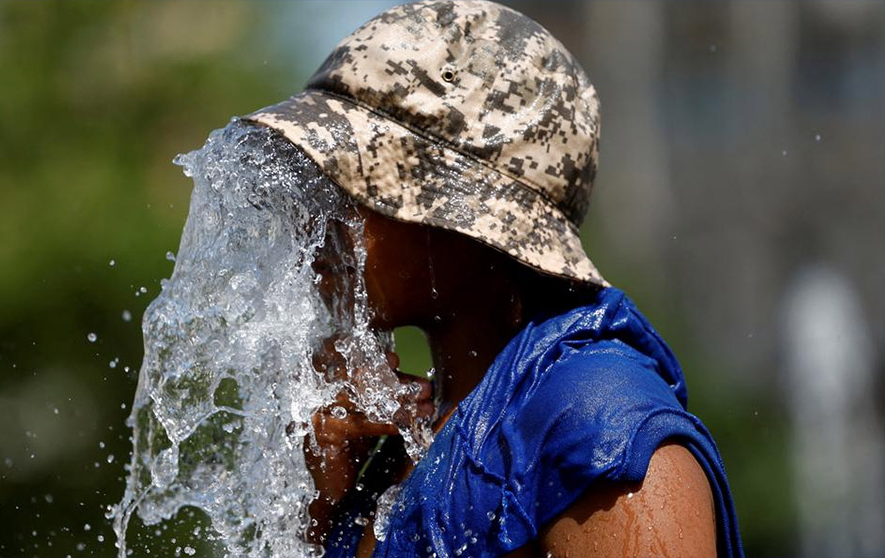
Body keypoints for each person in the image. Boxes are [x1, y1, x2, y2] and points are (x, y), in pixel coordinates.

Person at [240, 1, 744, 556]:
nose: (318, 218)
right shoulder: (410, 435)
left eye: (354, 183)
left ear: (468, 215)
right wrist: (323, 506)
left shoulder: (598, 434)